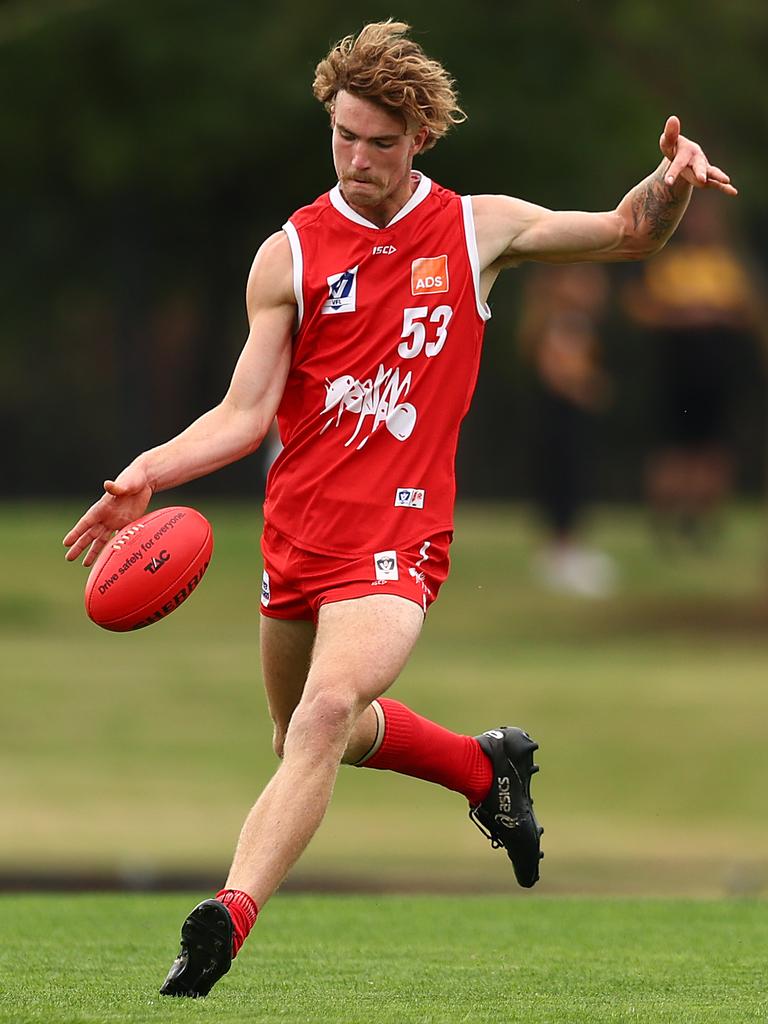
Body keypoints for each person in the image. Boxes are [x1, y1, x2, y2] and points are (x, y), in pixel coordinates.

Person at [62, 21, 736, 998]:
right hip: (297, 536)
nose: (358, 158)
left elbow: (625, 232)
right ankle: (483, 769)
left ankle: (226, 916)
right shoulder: (288, 255)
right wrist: (150, 472)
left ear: (419, 135)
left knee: (327, 711)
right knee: (301, 725)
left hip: (398, 536)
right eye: (343, 135)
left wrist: (669, 182)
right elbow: (245, 413)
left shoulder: (475, 228)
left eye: (380, 141)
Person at [623, 196, 765, 546]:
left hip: (719, 371)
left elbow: (748, 311)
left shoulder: (729, 264)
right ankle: (666, 521)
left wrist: (717, 315)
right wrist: (686, 315)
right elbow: (640, 306)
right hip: (677, 369)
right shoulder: (668, 260)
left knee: (713, 447)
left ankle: (701, 522)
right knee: (673, 447)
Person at [520, 263, 617, 597]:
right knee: (564, 479)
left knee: (574, 479)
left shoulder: (577, 322)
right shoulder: (560, 322)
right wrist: (587, 388)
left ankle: (568, 548)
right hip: (559, 415)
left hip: (568, 415)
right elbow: (557, 370)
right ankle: (561, 553)